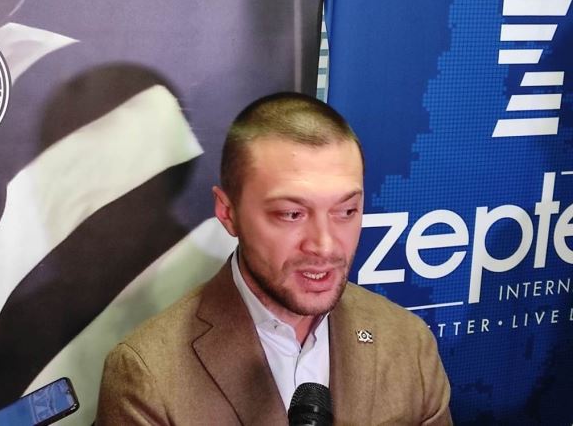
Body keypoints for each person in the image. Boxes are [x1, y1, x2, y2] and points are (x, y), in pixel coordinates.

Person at [96, 92, 452, 425]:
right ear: (228, 212)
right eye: (291, 214)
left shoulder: (409, 343)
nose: (325, 245)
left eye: (346, 211)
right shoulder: (148, 375)